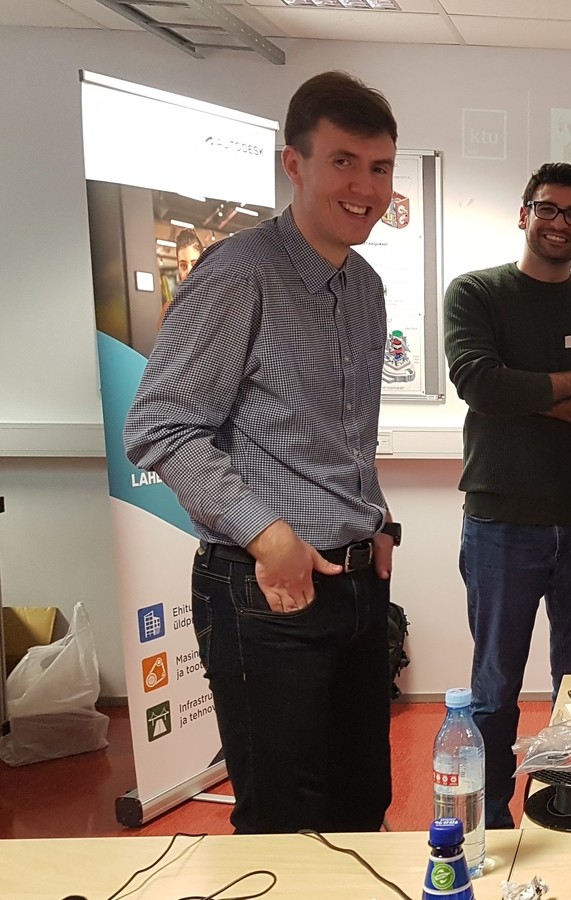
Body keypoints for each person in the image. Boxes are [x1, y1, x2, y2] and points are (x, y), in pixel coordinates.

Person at [124, 71, 401, 834]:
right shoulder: (240, 272)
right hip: (264, 590)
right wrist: (268, 534)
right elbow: (160, 427)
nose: (365, 187)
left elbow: (342, 432)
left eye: (379, 167)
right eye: (343, 162)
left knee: (362, 805)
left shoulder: (366, 286)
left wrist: (376, 519)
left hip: (355, 588)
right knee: (286, 823)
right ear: (295, 164)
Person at [444, 162, 571, 830]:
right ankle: (491, 821)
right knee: (495, 686)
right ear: (524, 214)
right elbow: (479, 383)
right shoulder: (476, 293)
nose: (559, 223)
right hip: (501, 521)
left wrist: (524, 391)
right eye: (547, 209)